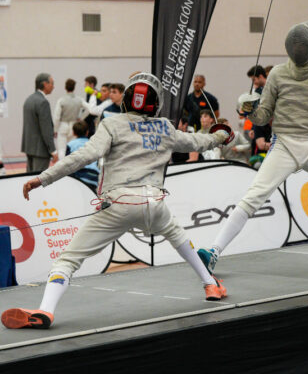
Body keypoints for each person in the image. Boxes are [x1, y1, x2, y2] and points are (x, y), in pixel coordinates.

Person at [1, 73, 229, 329]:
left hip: (119, 203)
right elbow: (198, 141)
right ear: (156, 103)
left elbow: (83, 156)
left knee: (67, 259)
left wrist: (43, 178)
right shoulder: (165, 127)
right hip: (154, 203)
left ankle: (45, 311)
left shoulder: (112, 124)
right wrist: (221, 135)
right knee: (179, 238)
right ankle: (210, 284)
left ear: (127, 98)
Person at [197, 21, 308, 275]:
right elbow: (263, 117)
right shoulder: (278, 74)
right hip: (284, 145)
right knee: (253, 197)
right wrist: (249, 109)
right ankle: (213, 251)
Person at [21, 73, 58, 172]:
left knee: (29, 177)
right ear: (45, 84)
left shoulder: (29, 100)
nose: (53, 86)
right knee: (38, 178)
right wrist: (53, 150)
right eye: (52, 83)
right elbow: (46, 129)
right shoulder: (43, 102)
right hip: (41, 150)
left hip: (29, 147)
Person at [53, 79, 88, 159]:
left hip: (63, 126)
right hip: (74, 126)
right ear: (74, 87)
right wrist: (81, 118)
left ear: (65, 88)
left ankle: (62, 166)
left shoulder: (61, 100)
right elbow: (89, 109)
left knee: (62, 150)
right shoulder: (79, 99)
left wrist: (55, 129)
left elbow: (56, 117)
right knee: (73, 148)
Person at [66, 121, 99, 193]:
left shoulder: (71, 145)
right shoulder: (94, 144)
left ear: (73, 133)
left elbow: (67, 164)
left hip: (79, 176)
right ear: (87, 132)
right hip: (94, 177)